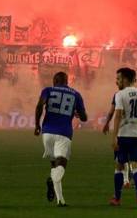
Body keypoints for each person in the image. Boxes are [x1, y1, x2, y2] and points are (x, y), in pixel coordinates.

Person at [34, 71, 87, 207]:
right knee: (61, 163)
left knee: (54, 164)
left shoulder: (48, 90)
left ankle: (60, 200)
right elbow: (84, 117)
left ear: (55, 80)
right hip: (64, 132)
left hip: (47, 132)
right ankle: (52, 179)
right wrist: (76, 113)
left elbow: (40, 105)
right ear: (67, 81)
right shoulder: (75, 94)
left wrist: (37, 125)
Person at [109, 68, 137, 208]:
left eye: (119, 79)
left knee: (120, 166)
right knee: (136, 166)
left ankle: (117, 198)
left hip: (124, 135)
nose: (117, 81)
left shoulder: (120, 94)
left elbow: (118, 115)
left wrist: (114, 137)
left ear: (126, 79)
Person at [102, 89, 131, 189]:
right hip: (135, 131)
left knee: (120, 157)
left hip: (121, 130)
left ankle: (126, 180)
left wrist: (106, 123)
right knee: (130, 158)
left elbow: (112, 112)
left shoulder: (118, 95)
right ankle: (129, 179)